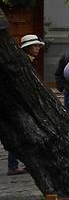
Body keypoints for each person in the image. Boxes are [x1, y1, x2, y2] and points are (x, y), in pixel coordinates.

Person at [8, 35, 45, 175]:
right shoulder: (23, 62)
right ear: (28, 48)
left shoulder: (28, 61)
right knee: (19, 135)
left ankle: (22, 164)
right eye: (35, 46)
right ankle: (13, 165)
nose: (37, 49)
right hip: (20, 104)